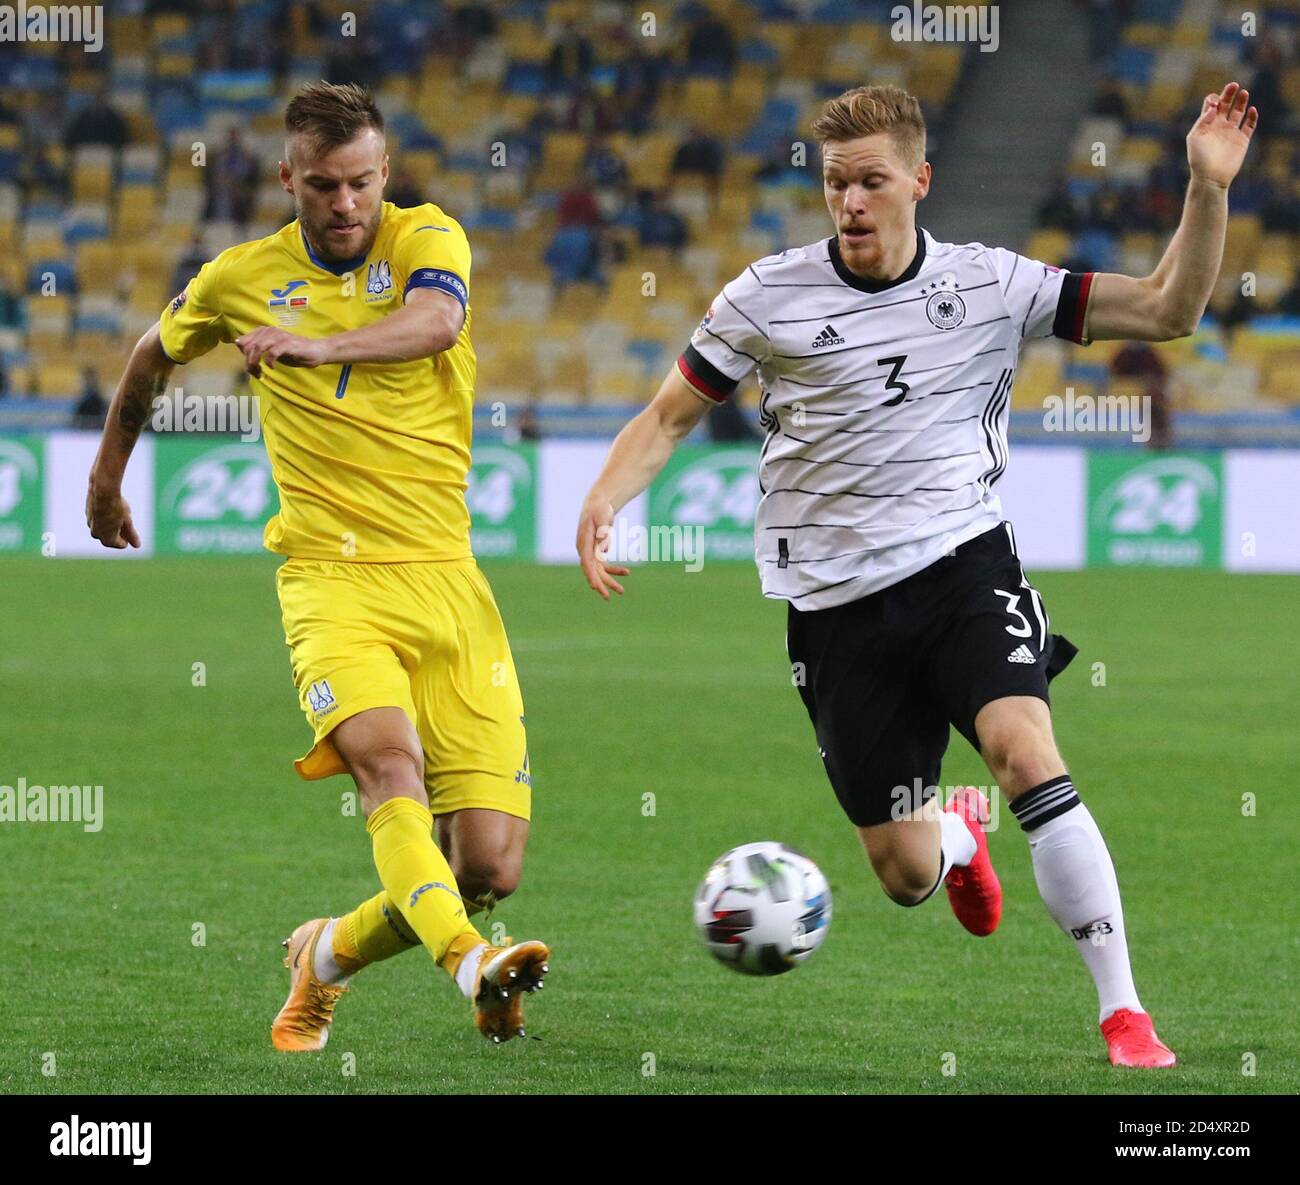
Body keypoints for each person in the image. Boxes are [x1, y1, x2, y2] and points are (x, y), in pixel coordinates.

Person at [577, 82, 1258, 1069]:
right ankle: (957, 839)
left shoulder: (991, 284)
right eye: (835, 184)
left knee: (1025, 750)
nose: (850, 202)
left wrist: (1204, 186)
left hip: (960, 568)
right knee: (902, 874)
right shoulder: (765, 296)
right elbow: (668, 418)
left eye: (871, 182)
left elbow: (1167, 309)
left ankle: (1123, 1011)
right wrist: (607, 497)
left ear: (918, 182)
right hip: (833, 608)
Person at [85, 82, 550, 1050]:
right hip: (329, 579)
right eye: (325, 187)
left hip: (446, 577)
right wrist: (104, 479)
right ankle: (472, 963)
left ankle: (327, 954)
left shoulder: (428, 239)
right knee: (389, 766)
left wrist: (316, 346)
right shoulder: (238, 277)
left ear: (385, 175)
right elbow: (149, 357)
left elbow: (437, 326)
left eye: (362, 185)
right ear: (289, 178)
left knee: (489, 864)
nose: (346, 206)